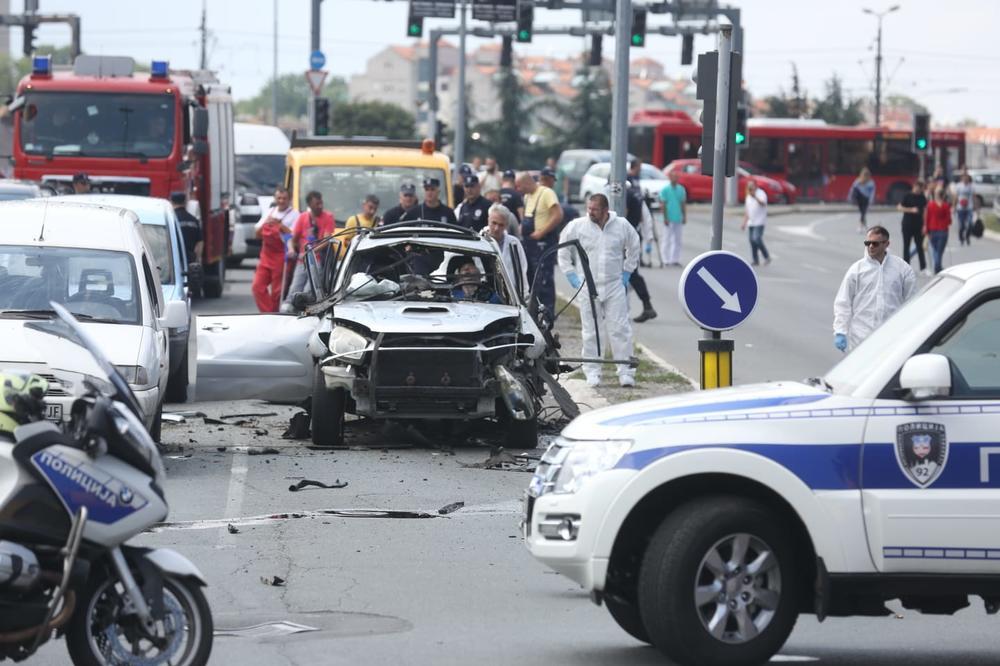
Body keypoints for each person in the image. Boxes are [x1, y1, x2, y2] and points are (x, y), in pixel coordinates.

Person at [558, 194, 640, 387]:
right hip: (588, 285)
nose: (590, 212)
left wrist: (627, 272)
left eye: (594, 209)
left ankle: (625, 371)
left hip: (614, 285)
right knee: (591, 330)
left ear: (605, 210)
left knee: (620, 328)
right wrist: (571, 275)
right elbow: (563, 251)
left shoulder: (621, 225)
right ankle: (593, 371)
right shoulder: (577, 226)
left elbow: (634, 246)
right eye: (589, 208)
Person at [833, 225, 916, 352]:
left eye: (875, 243)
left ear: (886, 244)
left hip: (892, 338)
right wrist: (840, 331)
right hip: (861, 337)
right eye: (868, 243)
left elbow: (912, 302)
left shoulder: (902, 269)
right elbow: (843, 302)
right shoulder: (856, 270)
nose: (871, 246)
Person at [279, 190, 336, 310]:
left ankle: (302, 311)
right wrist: (291, 249)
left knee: (307, 292)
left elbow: (327, 240)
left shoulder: (328, 217)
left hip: (318, 262)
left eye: (321, 203)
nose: (320, 206)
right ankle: (287, 312)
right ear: (310, 205)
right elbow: (292, 239)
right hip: (302, 261)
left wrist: (311, 252)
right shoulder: (303, 217)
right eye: (317, 204)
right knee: (294, 290)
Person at [517, 171, 563, 316]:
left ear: (526, 183)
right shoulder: (527, 196)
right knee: (531, 280)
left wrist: (541, 232)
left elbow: (558, 215)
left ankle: (548, 316)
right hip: (529, 245)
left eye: (519, 186)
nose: (518, 190)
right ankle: (535, 314)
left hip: (543, 244)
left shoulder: (546, 193)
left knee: (544, 282)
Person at [252, 186, 298, 312]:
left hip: (281, 258)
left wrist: (280, 225)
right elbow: (257, 233)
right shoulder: (270, 212)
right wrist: (267, 222)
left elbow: (295, 236)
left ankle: (274, 314)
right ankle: (268, 313)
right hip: (265, 257)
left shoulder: (295, 215)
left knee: (278, 292)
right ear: (275, 198)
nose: (281, 200)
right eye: (279, 198)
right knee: (257, 287)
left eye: (284, 198)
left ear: (289, 199)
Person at [624, 174, 657, 323]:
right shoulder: (636, 195)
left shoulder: (624, 196)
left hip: (624, 238)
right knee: (631, 273)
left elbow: (623, 213)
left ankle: (646, 306)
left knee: (629, 273)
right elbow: (646, 217)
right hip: (634, 235)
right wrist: (648, 235)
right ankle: (646, 305)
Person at [483, 203, 529, 298]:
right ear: (488, 220)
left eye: (501, 225)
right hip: (485, 296)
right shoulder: (479, 242)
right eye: (494, 223)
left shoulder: (514, 243)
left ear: (507, 225)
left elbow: (522, 272)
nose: (496, 228)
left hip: (511, 297)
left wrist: (525, 297)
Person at [896, 180, 928, 274]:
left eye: (921, 188)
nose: (919, 190)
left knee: (920, 247)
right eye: (918, 187)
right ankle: (906, 268)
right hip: (907, 225)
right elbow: (899, 207)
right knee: (906, 246)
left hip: (919, 225)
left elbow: (925, 211)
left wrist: (925, 225)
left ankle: (923, 268)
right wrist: (911, 210)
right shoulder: (907, 196)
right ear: (914, 186)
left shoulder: (922, 197)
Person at [658, 168, 687, 266]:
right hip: (669, 217)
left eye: (676, 177)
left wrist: (684, 216)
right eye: (673, 176)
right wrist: (665, 217)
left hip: (677, 217)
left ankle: (674, 259)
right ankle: (665, 258)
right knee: (667, 239)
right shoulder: (665, 190)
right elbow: (663, 204)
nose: (675, 178)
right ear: (670, 178)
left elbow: (682, 203)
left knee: (677, 240)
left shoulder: (681, 189)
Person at [741, 180, 771, 266]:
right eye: (749, 186)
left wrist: (755, 196)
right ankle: (755, 260)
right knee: (752, 241)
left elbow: (763, 204)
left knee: (756, 238)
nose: (750, 188)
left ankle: (766, 256)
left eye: (752, 186)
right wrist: (744, 223)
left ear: (755, 185)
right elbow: (747, 211)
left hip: (760, 221)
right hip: (751, 222)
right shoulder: (748, 196)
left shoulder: (761, 193)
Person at [924, 186, 952, 274]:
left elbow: (927, 218)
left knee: (935, 250)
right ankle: (937, 266)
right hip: (943, 231)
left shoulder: (930, 205)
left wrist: (926, 230)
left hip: (932, 231)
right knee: (939, 251)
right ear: (943, 195)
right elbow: (949, 220)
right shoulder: (946, 206)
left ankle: (937, 266)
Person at [170, 191, 203, 265]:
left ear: (171, 202)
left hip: (173, 261)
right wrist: (196, 260)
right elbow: (199, 243)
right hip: (190, 261)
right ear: (185, 202)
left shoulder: (171, 220)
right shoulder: (194, 220)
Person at [847, 167, 875, 232]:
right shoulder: (858, 181)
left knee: (863, 212)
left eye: (866, 175)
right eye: (864, 175)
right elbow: (852, 189)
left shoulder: (871, 182)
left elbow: (872, 192)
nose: (865, 177)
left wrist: (871, 200)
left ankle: (861, 225)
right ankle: (864, 225)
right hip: (859, 198)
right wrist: (850, 197)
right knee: (863, 212)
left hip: (866, 199)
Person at [953, 173, 975, 246]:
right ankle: (961, 238)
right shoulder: (959, 186)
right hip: (960, 208)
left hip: (969, 207)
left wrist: (976, 208)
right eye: (964, 178)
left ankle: (967, 236)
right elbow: (956, 197)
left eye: (967, 178)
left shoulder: (971, 186)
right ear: (962, 179)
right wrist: (954, 207)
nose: (965, 179)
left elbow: (974, 197)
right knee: (962, 225)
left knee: (970, 224)